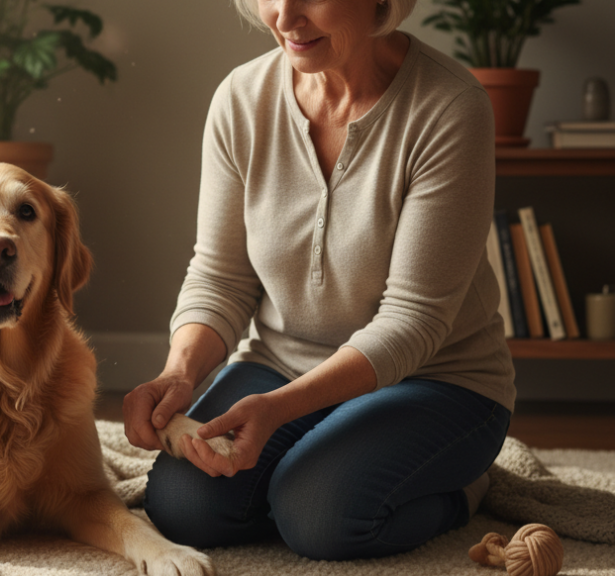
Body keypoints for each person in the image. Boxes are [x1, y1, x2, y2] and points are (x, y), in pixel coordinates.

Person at [122, 0, 516, 561]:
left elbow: (414, 321)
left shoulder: (449, 106)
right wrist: (178, 374)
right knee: (183, 505)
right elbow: (221, 276)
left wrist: (278, 411)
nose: (284, 16)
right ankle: (312, 467)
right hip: (279, 364)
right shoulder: (240, 99)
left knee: (316, 514)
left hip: (436, 378)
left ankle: (461, 490)